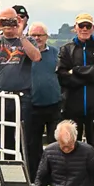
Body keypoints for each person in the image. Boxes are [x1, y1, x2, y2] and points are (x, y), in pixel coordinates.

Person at [0, 7, 39, 170]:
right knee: (3, 140)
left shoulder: (27, 40)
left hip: (22, 97)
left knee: (22, 139)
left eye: (12, 21)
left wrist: (21, 34)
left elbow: (36, 56)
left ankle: (25, 175)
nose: (9, 25)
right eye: (5, 21)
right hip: (1, 98)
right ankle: (6, 175)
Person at [56, 14, 94, 149]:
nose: (84, 29)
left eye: (88, 26)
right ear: (75, 28)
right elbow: (62, 76)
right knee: (72, 145)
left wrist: (75, 70)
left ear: (93, 28)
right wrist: (88, 77)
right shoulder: (66, 49)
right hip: (72, 106)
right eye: (81, 26)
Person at [28, 23, 62, 175]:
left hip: (53, 104)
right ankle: (35, 178)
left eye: (39, 35)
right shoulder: (25, 54)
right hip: (32, 106)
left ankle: (56, 176)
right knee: (32, 145)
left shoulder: (55, 53)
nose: (36, 38)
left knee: (55, 144)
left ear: (46, 37)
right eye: (33, 35)